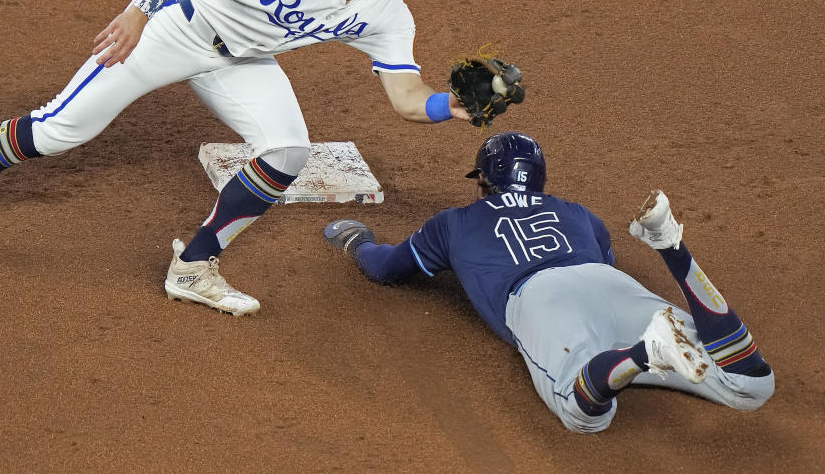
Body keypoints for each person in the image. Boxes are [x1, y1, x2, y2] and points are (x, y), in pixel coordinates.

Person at [0, 0, 474, 316]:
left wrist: (453, 107)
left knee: (289, 152)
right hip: (176, 30)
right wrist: (137, 13)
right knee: (58, 131)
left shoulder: (388, 13)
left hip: (243, 62)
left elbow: (404, 97)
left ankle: (193, 267)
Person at [323, 132, 774, 432]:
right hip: (608, 281)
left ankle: (644, 353)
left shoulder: (454, 222)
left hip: (541, 301)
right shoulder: (579, 213)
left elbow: (385, 269)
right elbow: (604, 259)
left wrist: (356, 241)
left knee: (584, 414)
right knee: (751, 384)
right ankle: (671, 246)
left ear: (483, 183)